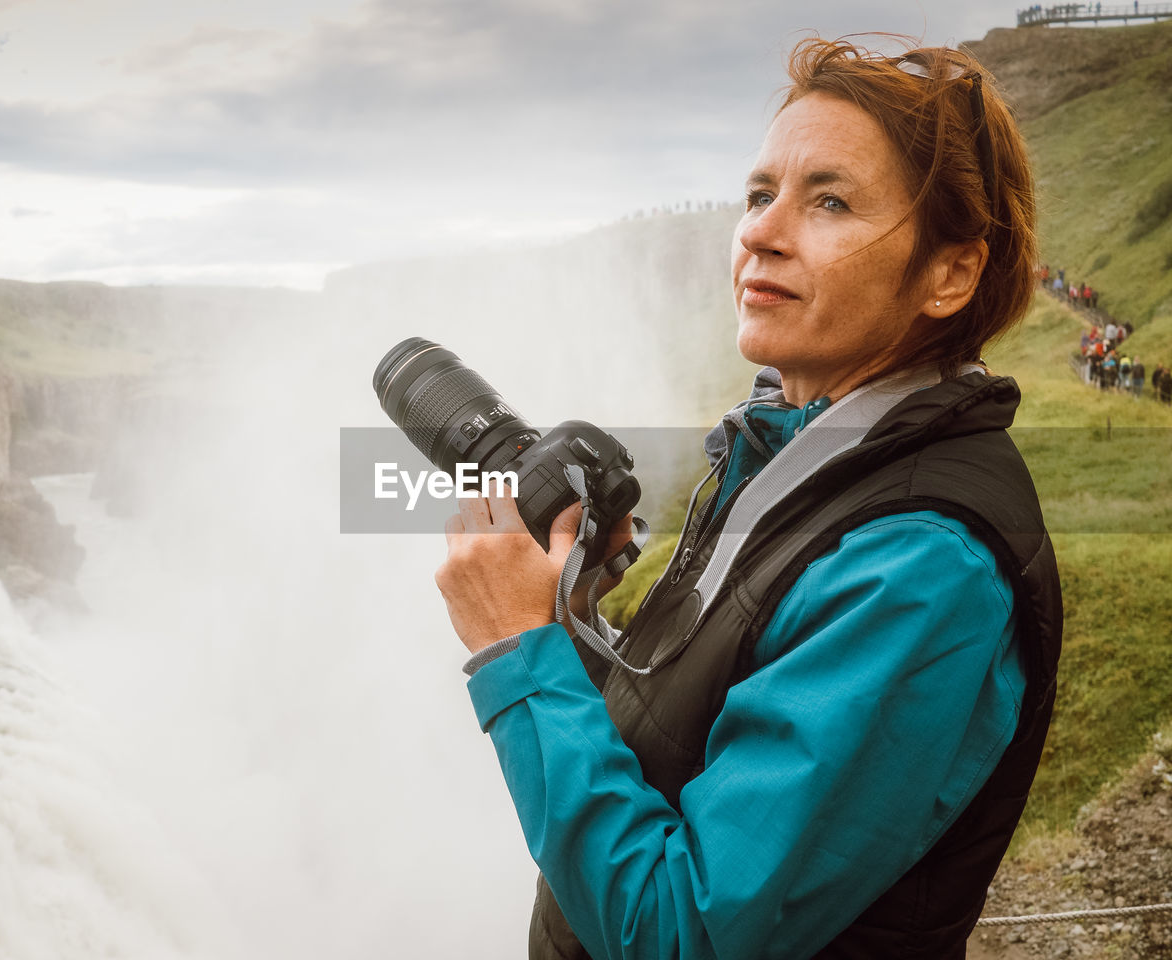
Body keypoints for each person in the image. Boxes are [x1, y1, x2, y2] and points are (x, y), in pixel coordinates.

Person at [433, 39, 1062, 960]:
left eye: (831, 201)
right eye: (760, 193)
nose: (762, 232)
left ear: (950, 275)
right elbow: (679, 760)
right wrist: (568, 623)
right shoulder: (795, 456)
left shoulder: (921, 564)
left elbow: (679, 932)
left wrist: (515, 651)